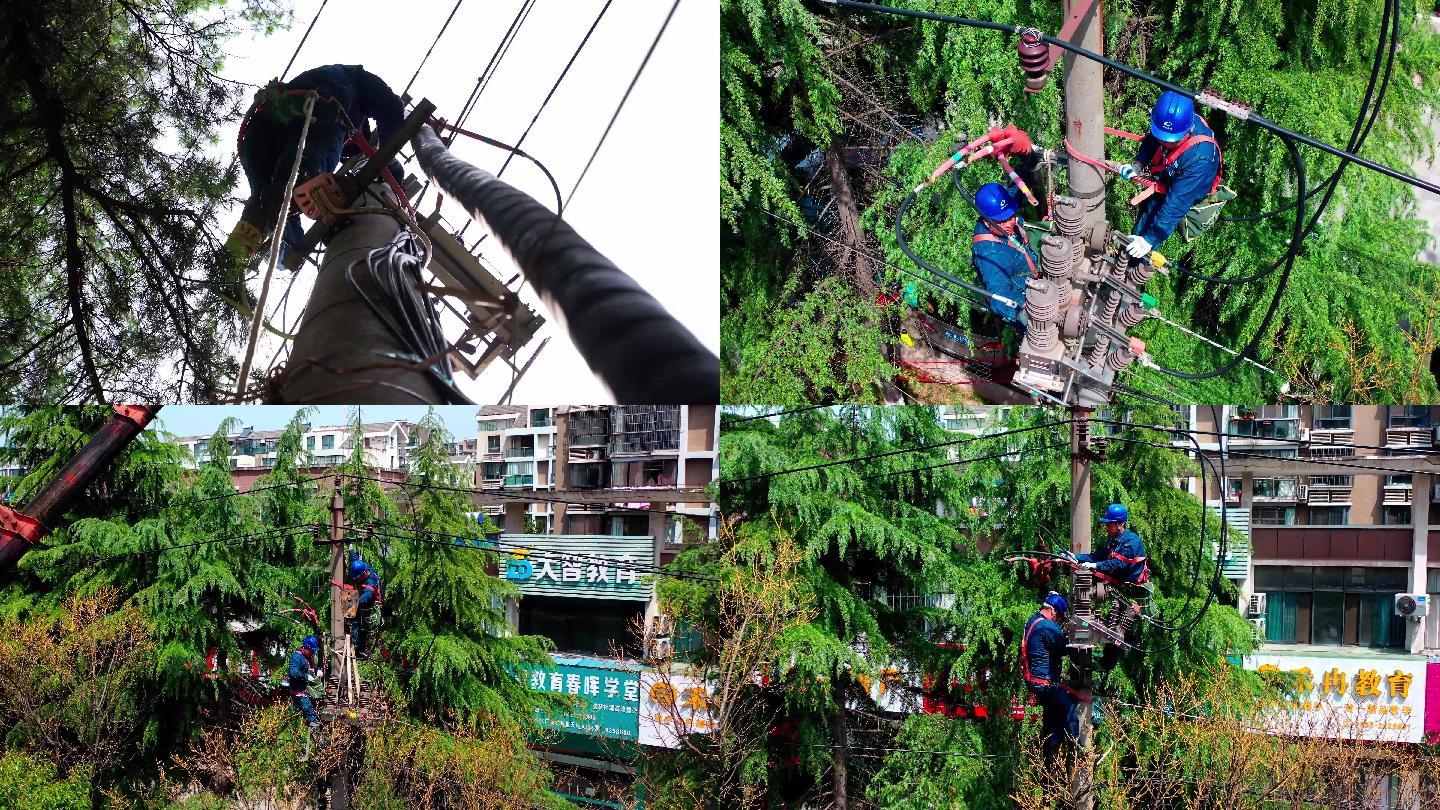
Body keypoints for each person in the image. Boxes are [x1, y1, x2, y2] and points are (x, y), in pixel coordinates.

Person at [227, 64, 407, 266]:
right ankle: (275, 241)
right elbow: (391, 106)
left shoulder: (348, 137)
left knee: (268, 194)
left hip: (262, 132)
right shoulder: (356, 80)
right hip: (316, 104)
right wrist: (386, 154)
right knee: (308, 162)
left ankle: (256, 239)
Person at [1117, 91, 1223, 259]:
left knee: (1144, 242)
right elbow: (1153, 139)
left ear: (1187, 130)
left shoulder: (1200, 158)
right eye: (1161, 136)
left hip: (1183, 193)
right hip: (1167, 180)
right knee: (1142, 226)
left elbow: (1176, 204)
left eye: (1171, 140)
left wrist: (1148, 240)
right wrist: (1138, 165)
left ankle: (1134, 271)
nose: (1164, 142)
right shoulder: (1173, 123)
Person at [970, 182, 1041, 329]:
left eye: (1012, 214)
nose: (1010, 223)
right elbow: (998, 293)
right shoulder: (990, 254)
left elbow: (1016, 190)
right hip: (1026, 298)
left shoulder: (1002, 208)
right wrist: (1021, 313)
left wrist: (1029, 166)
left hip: (1034, 271)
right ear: (987, 221)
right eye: (1002, 220)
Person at [1021, 591, 1079, 758]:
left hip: (1033, 681)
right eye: (1058, 616)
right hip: (1045, 685)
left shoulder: (1033, 621)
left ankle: (1051, 748)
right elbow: (1063, 648)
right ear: (1053, 611)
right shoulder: (1047, 626)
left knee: (1056, 719)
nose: (1058, 619)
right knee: (1069, 709)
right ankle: (1079, 748)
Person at [1074, 503, 1149, 586]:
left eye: (1109, 525)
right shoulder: (1113, 539)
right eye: (1106, 525)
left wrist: (1095, 565)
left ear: (1120, 524)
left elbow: (1119, 563)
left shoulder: (1132, 542)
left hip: (1130, 584)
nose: (1106, 528)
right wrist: (1074, 557)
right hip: (1118, 577)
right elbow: (1097, 556)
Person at [346, 555, 382, 657]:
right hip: (365, 599)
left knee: (361, 625)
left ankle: (358, 647)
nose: (357, 580)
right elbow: (355, 559)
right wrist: (351, 549)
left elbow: (366, 596)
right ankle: (356, 641)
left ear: (364, 573)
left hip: (371, 604)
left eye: (359, 578)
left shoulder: (371, 582)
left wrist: (354, 606)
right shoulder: (364, 567)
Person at [288, 634, 321, 731]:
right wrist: (306, 676)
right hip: (299, 694)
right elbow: (293, 672)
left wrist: (317, 670)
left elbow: (311, 667)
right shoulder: (296, 657)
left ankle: (311, 730)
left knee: (314, 712)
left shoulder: (308, 657)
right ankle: (318, 737)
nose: (313, 653)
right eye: (311, 650)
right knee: (311, 715)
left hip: (308, 691)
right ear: (305, 648)